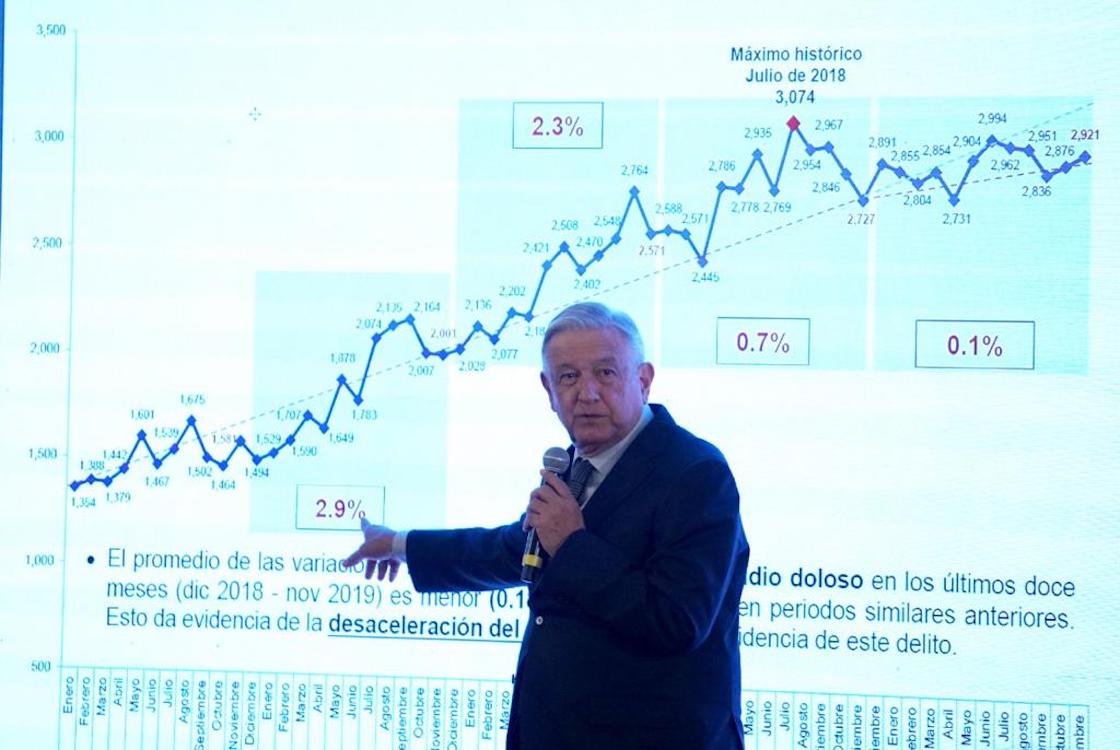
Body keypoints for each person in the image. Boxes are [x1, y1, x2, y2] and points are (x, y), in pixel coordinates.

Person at [344, 301, 749, 749]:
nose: (587, 393)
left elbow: (677, 621)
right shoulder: (576, 465)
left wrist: (572, 543)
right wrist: (398, 544)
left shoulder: (694, 472)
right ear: (548, 389)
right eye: (568, 377)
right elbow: (513, 550)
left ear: (644, 379)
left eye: (605, 373)